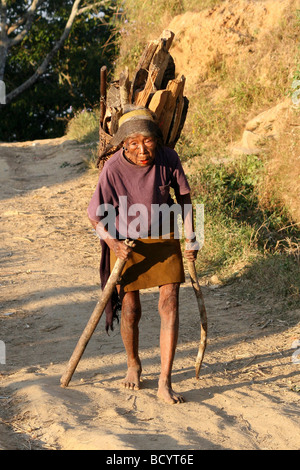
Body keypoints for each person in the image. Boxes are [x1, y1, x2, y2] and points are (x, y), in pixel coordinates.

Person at [87, 106, 199, 404]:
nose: (142, 149)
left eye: (147, 141)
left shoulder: (168, 158)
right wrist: (113, 243)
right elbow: (96, 218)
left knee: (170, 302)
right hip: (126, 241)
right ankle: (133, 363)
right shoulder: (112, 168)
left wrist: (191, 236)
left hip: (164, 238)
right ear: (123, 144)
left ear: (156, 139)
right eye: (133, 143)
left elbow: (184, 198)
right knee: (131, 309)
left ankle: (165, 380)